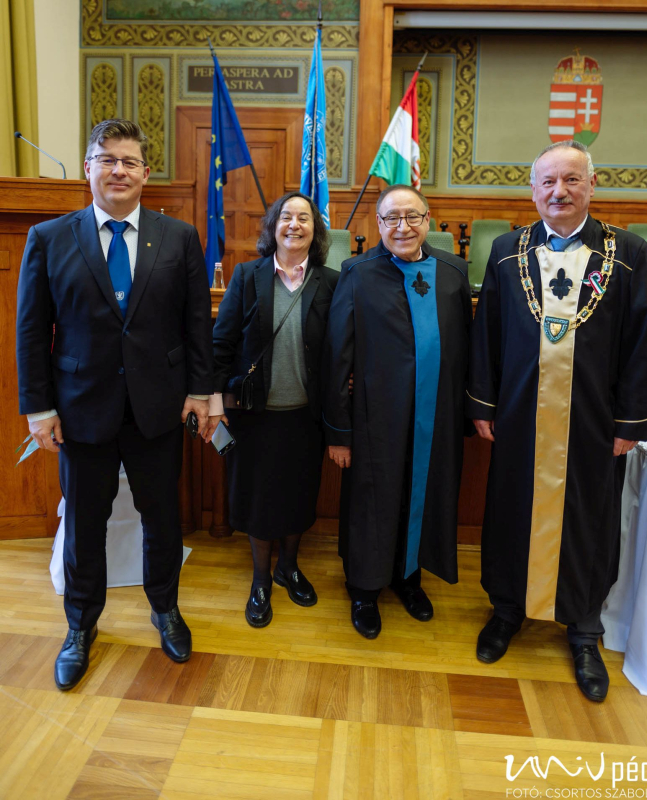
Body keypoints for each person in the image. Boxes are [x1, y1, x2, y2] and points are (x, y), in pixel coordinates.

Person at [16, 119, 213, 690]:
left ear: (146, 174)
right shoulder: (49, 238)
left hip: (159, 410)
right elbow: (33, 332)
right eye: (107, 159)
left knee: (162, 521)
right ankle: (80, 626)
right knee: (83, 526)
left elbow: (196, 325)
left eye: (129, 161)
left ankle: (165, 609)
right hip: (80, 413)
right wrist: (39, 409)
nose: (118, 170)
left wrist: (200, 392)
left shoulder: (178, 238)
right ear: (88, 168)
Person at [467, 140, 647, 702]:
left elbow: (643, 342)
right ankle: (506, 609)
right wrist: (482, 405)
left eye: (571, 180)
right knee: (510, 510)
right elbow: (488, 336)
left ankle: (584, 628)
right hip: (518, 415)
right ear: (534, 190)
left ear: (591, 185)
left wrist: (632, 420)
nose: (559, 191)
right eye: (548, 182)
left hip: (593, 423)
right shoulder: (508, 251)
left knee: (589, 517)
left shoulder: (627, 252)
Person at [323, 184, 471, 639]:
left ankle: (408, 578)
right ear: (378, 224)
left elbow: (468, 345)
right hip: (374, 419)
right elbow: (336, 356)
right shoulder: (357, 272)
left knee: (422, 494)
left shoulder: (452, 271)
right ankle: (364, 588)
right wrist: (339, 431)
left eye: (412, 217)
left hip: (436, 417)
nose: (402, 227)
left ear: (428, 220)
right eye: (391, 219)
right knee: (374, 498)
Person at [207, 192, 339, 628]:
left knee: (300, 495)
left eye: (305, 218)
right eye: (287, 217)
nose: (295, 225)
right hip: (255, 413)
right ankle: (261, 579)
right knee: (260, 499)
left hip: (306, 414)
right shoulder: (247, 276)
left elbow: (342, 346)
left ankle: (289, 568)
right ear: (274, 226)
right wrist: (213, 400)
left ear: (316, 231)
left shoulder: (331, 281)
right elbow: (222, 343)